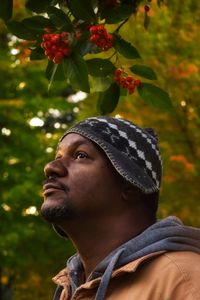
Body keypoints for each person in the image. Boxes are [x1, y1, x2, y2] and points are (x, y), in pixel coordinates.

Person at [41, 116, 200, 300]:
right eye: (57, 157)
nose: (51, 167)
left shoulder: (184, 281)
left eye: (80, 155)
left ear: (130, 185)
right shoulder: (69, 290)